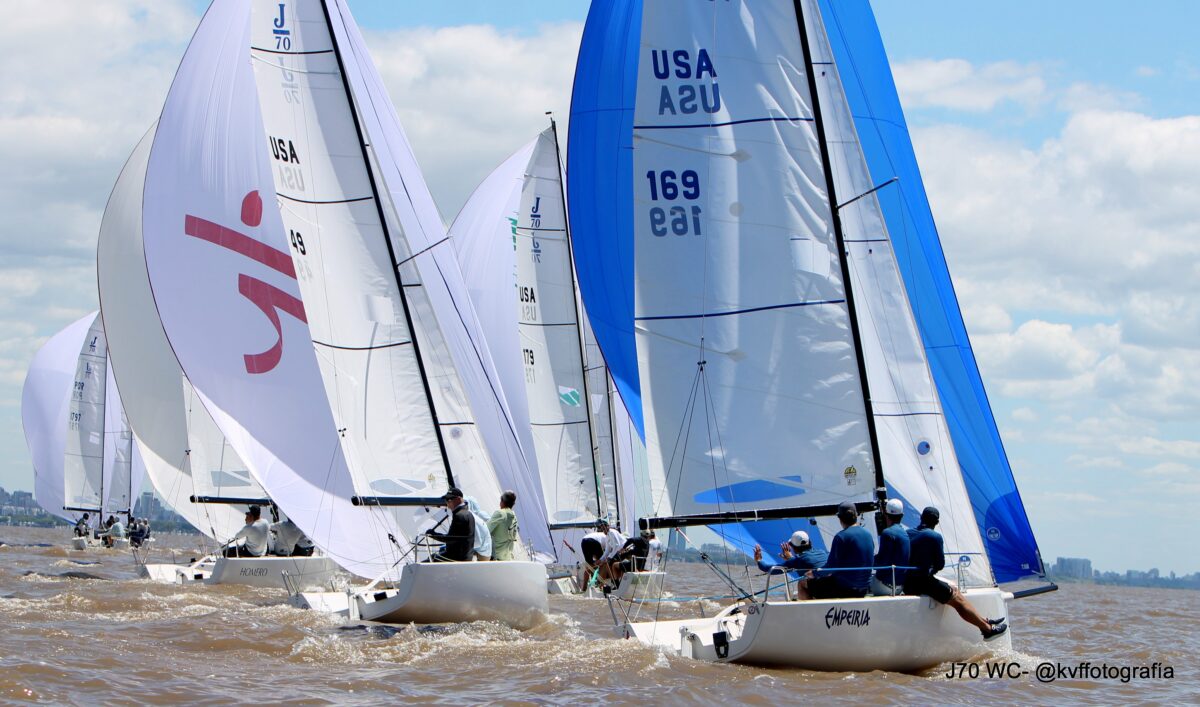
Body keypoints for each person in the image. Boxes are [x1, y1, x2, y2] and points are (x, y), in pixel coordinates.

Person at [905, 506, 1008, 640]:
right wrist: (931, 569)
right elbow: (940, 564)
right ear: (937, 522)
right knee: (957, 599)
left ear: (921, 518)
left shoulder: (908, 533)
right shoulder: (935, 536)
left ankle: (984, 621)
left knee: (955, 592)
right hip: (921, 582)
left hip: (907, 580)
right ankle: (987, 630)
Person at [797, 501, 873, 600]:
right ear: (856, 515)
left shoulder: (841, 537)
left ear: (840, 518)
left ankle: (812, 610)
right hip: (863, 589)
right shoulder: (868, 534)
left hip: (844, 589)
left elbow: (831, 567)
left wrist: (813, 573)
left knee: (802, 583)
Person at [871, 498, 911, 596]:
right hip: (899, 587)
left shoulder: (887, 533)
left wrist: (868, 560)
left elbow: (882, 562)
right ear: (902, 515)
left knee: (864, 583)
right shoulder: (905, 533)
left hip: (884, 586)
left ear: (886, 515)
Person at [425, 487, 476, 562]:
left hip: (456, 559)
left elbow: (450, 539)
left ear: (458, 499)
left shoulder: (460, 516)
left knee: (429, 560)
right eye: (446, 500)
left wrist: (433, 534)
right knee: (434, 556)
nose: (447, 503)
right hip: (465, 557)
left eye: (449, 500)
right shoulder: (468, 514)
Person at [754, 530, 828, 578]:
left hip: (821, 590)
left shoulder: (797, 560)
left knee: (801, 583)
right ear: (810, 542)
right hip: (833, 587)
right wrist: (790, 559)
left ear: (794, 548)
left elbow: (767, 568)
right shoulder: (823, 552)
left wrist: (759, 560)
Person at [486, 490, 519, 561]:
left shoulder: (499, 513)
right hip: (508, 558)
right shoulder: (514, 516)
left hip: (496, 558)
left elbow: (485, 531)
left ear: (502, 501)